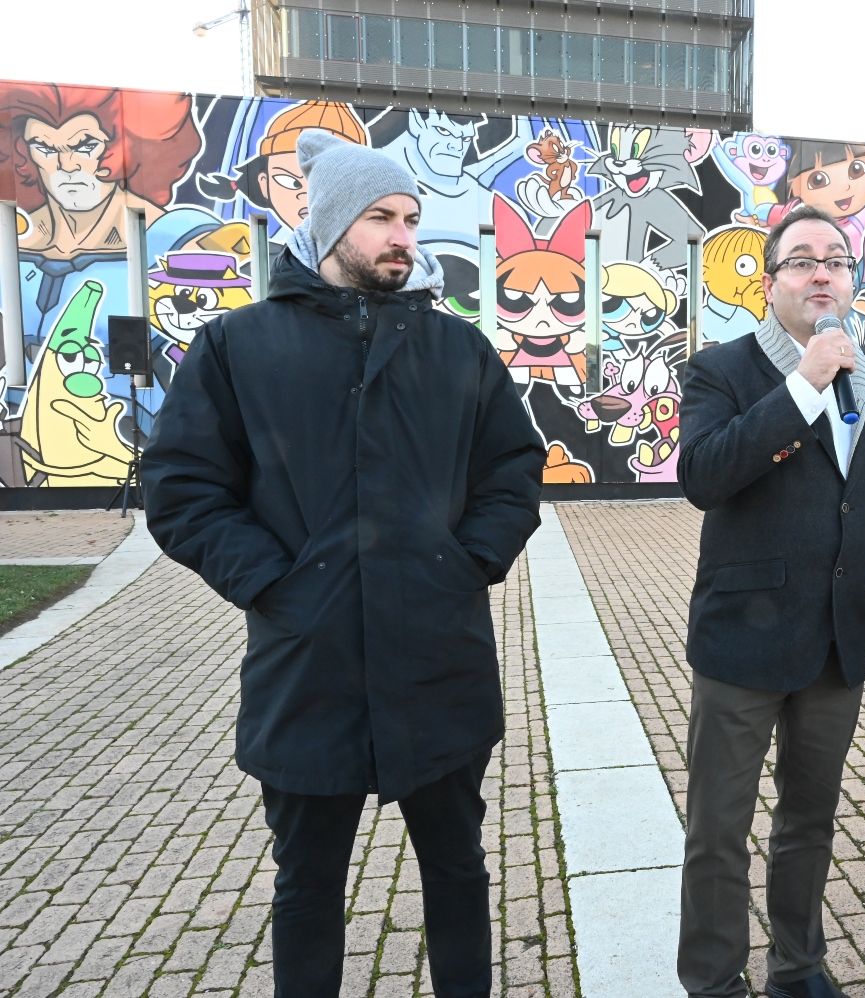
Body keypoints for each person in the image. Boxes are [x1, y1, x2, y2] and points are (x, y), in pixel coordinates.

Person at [141, 131, 545, 997]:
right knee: (309, 886)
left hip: (439, 663)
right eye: (380, 218)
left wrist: (464, 561)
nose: (403, 235)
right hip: (306, 670)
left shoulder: (457, 349)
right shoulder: (237, 347)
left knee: (458, 870)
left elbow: (513, 471)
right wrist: (276, 583)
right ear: (327, 227)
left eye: (410, 218)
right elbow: (181, 490)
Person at [676, 203, 865, 998]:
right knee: (719, 828)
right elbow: (704, 476)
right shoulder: (721, 370)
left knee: (808, 823)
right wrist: (802, 384)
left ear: (852, 280)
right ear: (770, 282)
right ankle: (713, 979)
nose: (821, 272)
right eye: (802, 260)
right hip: (743, 640)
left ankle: (798, 968)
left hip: (836, 643)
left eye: (836, 260)